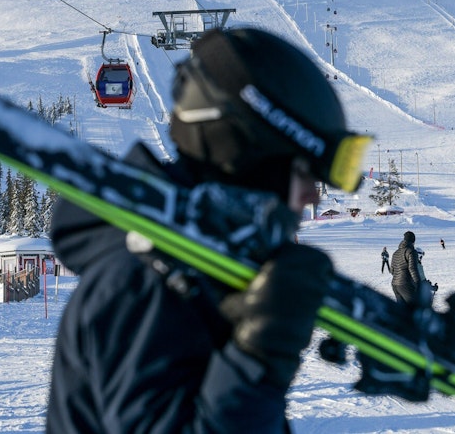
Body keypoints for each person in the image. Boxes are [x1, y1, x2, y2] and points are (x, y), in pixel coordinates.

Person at [47, 27, 371, 433]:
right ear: (252, 162)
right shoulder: (143, 281)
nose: (312, 198)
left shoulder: (196, 269)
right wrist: (258, 359)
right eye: (304, 171)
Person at [390, 231, 423, 305]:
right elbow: (412, 268)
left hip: (395, 284)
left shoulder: (395, 253)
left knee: (402, 311)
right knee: (413, 308)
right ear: (413, 241)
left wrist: (399, 277)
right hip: (405, 284)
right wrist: (419, 283)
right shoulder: (411, 251)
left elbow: (392, 270)